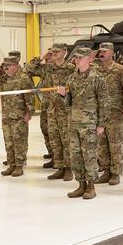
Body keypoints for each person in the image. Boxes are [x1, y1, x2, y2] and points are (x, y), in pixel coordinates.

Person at [56, 48, 110, 200]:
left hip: (90, 124)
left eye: (80, 58)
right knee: (76, 155)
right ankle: (81, 184)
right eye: (76, 58)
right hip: (74, 123)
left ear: (89, 59)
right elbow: (68, 103)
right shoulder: (72, 78)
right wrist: (63, 95)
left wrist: (101, 124)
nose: (77, 60)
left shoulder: (97, 78)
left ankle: (91, 186)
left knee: (90, 155)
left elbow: (105, 102)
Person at [26, 44, 75, 181]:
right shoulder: (48, 68)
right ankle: (59, 167)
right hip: (50, 110)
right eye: (52, 51)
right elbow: (28, 69)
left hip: (65, 110)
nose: (54, 53)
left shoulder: (71, 69)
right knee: (55, 140)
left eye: (57, 51)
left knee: (66, 141)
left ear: (64, 52)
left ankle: (68, 169)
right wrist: (42, 57)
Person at [0, 56, 35, 177]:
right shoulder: (3, 78)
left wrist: (29, 113)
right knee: (8, 141)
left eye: (8, 66)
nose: (5, 68)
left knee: (19, 141)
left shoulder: (23, 79)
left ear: (15, 66)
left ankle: (19, 165)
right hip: (6, 115)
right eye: (4, 66)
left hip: (19, 116)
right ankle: (11, 164)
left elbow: (30, 98)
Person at [94, 42, 123, 185]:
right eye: (100, 51)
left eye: (105, 51)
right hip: (99, 113)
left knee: (115, 144)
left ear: (112, 53)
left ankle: (115, 173)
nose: (102, 53)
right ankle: (106, 170)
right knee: (102, 145)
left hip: (115, 112)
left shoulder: (120, 70)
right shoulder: (95, 69)